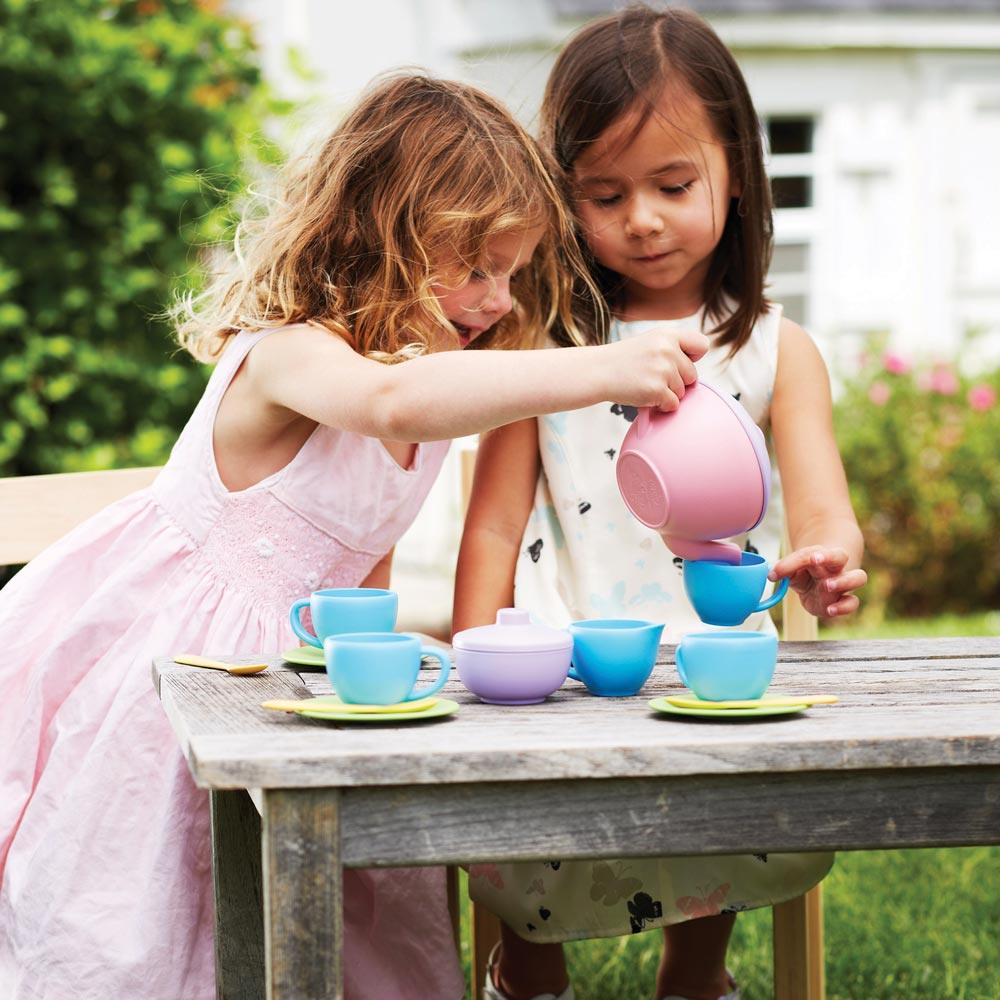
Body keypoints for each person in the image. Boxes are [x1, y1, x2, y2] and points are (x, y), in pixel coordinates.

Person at [0, 73, 709, 1000]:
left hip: (299, 690)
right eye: (476, 267)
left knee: (347, 914)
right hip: (176, 672)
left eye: (513, 273)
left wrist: (371, 650)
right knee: (154, 905)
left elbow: (360, 558)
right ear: (387, 233)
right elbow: (385, 401)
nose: (498, 299)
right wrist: (604, 365)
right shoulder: (290, 351)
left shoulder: (428, 402)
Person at [453, 8, 867, 1000]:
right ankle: (530, 968)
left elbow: (820, 511)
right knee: (515, 828)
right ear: (564, 201)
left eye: (673, 185)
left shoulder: (773, 347)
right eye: (604, 193)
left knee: (727, 803)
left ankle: (695, 972)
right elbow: (495, 521)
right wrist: (474, 652)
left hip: (709, 659)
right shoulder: (544, 347)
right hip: (556, 657)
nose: (640, 217)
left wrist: (823, 561)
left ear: (737, 175)